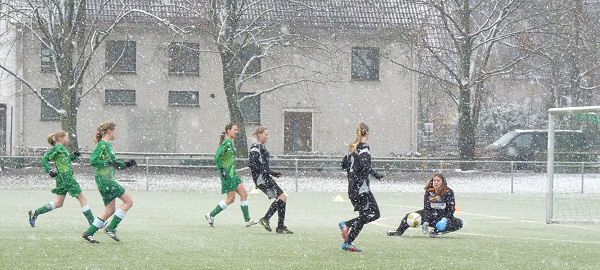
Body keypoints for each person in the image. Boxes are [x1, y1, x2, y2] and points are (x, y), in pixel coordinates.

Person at [82, 121, 137, 243]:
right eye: (115, 130)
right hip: (106, 181)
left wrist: (127, 164)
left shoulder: (108, 145)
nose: (116, 132)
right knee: (129, 201)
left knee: (110, 210)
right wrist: (108, 163)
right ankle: (111, 228)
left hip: (105, 181)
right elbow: (93, 161)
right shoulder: (103, 145)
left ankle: (89, 233)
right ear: (109, 131)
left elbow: (114, 165)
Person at [28, 131, 94, 227]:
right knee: (82, 198)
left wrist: (73, 156)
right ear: (60, 139)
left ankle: (35, 213)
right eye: (66, 137)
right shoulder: (58, 148)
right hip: (67, 178)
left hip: (61, 178)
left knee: (59, 203)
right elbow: (45, 159)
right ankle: (93, 222)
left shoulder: (62, 149)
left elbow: (65, 161)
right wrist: (49, 170)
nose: (68, 139)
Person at [338, 123, 384, 252]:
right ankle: (346, 224)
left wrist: (354, 177)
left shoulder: (352, 148)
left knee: (363, 217)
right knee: (374, 214)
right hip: (361, 189)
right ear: (367, 133)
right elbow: (365, 166)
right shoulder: (364, 147)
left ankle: (348, 242)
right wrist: (373, 176)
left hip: (353, 188)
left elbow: (343, 165)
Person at [205, 123, 257, 227]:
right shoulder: (227, 143)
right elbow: (217, 156)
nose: (237, 131)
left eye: (237, 130)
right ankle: (211, 214)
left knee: (244, 194)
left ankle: (247, 220)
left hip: (233, 174)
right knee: (231, 199)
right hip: (228, 175)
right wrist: (222, 171)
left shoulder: (230, 143)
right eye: (235, 130)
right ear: (228, 130)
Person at [387, 173, 463, 237]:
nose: (435, 182)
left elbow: (451, 209)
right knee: (409, 216)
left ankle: (436, 232)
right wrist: (426, 220)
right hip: (430, 215)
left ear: (443, 182)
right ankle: (398, 232)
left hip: (442, 217)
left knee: (459, 223)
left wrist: (445, 219)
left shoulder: (449, 192)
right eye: (434, 180)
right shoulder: (429, 191)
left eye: (438, 181)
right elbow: (426, 208)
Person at [249, 126, 293, 234]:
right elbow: (253, 164)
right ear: (259, 135)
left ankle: (280, 226)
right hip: (262, 179)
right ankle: (266, 219)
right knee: (282, 197)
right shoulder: (256, 147)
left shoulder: (261, 146)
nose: (267, 137)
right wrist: (264, 173)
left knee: (282, 198)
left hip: (264, 177)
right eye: (266, 134)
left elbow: (262, 165)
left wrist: (272, 173)